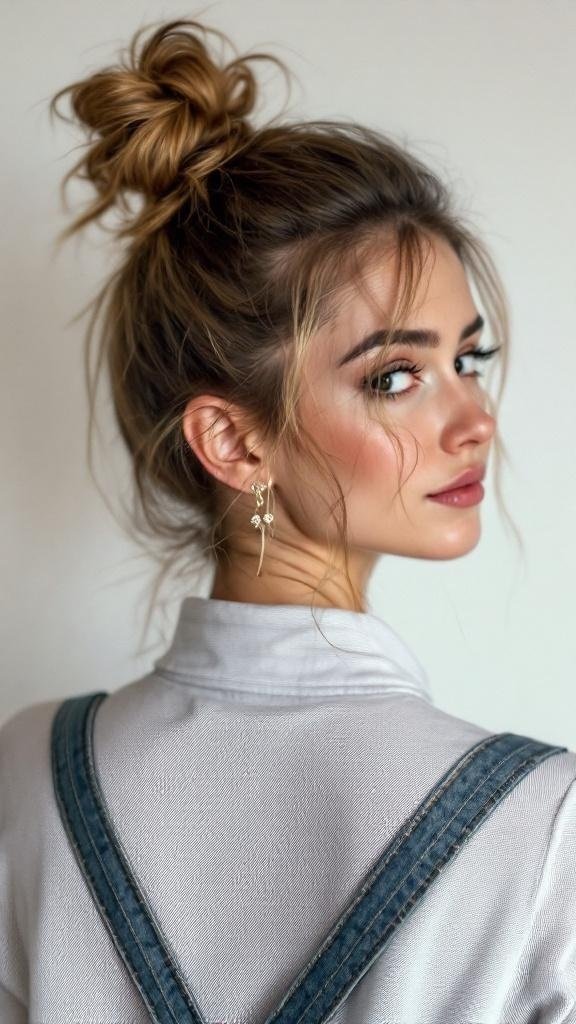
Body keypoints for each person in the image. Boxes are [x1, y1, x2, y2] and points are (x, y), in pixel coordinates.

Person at [1, 17, 575, 1023]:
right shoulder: (544, 828)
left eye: (467, 359)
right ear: (233, 442)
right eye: (396, 376)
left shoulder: (28, 773)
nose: (475, 419)